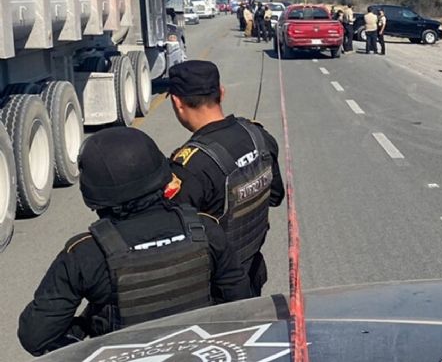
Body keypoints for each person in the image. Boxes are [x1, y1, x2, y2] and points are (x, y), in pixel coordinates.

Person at [18, 127, 251, 357]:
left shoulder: (85, 254)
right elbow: (241, 305)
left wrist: (88, 330)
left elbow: (35, 337)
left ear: (93, 194)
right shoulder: (205, 229)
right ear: (163, 176)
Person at [167, 60, 285, 297]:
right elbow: (275, 196)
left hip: (215, 292)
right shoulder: (258, 136)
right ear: (221, 92)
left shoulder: (190, 166)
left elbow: (174, 243)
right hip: (252, 271)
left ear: (177, 102)